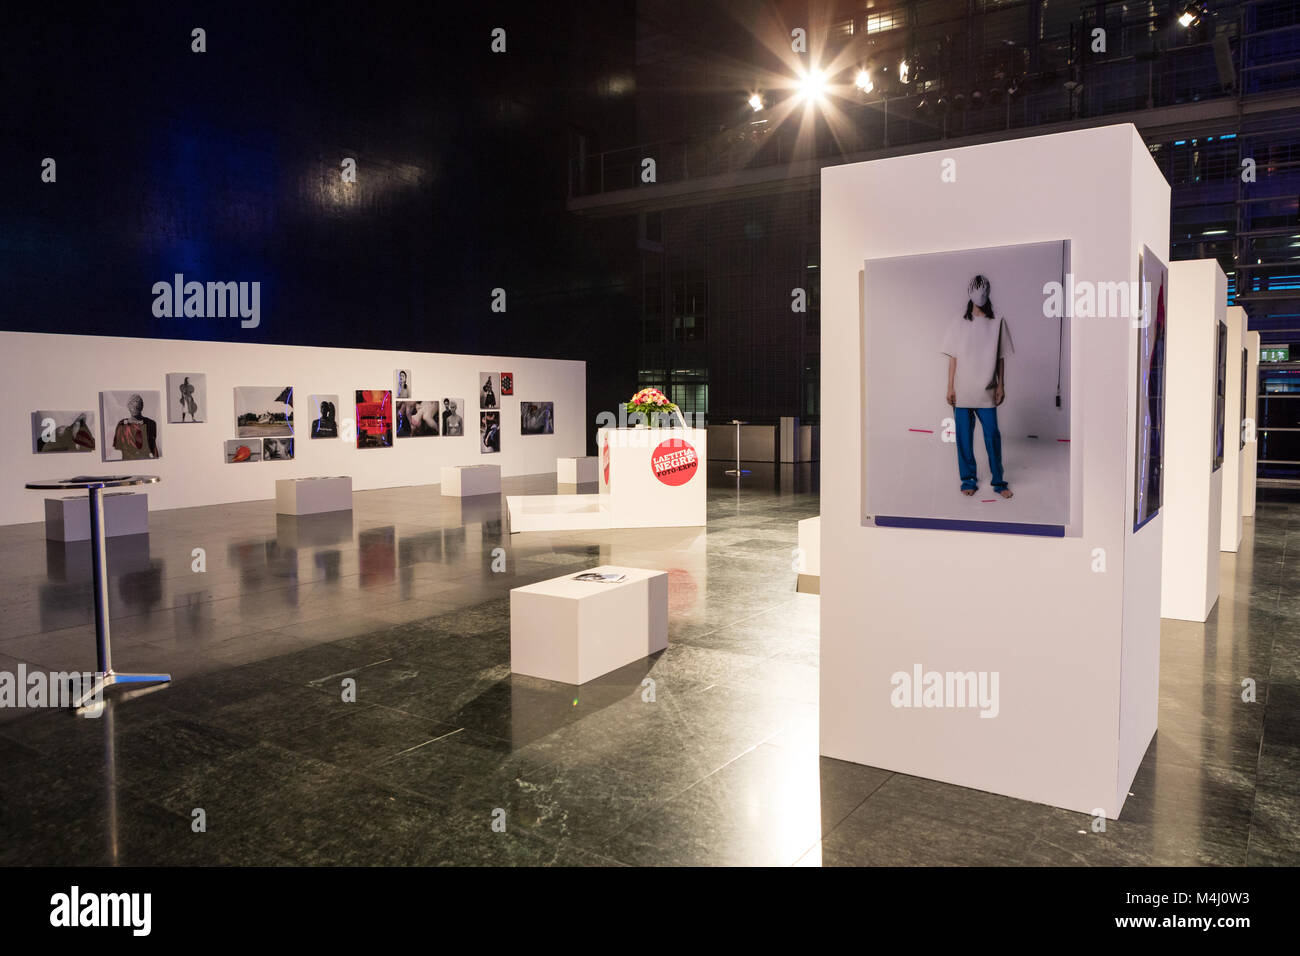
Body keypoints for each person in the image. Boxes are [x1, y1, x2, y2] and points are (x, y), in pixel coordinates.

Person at [941, 275, 1014, 498]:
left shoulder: (997, 321)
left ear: (988, 292)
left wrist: (1001, 385)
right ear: (970, 292)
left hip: (987, 389)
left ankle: (999, 482)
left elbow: (1001, 357)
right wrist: (950, 386)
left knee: (992, 434)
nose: (980, 295)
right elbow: (953, 358)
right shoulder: (958, 322)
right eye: (977, 289)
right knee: (963, 437)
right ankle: (968, 480)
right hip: (963, 388)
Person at [112, 393, 159, 460]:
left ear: (142, 406)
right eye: (132, 405)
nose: (135, 408)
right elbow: (118, 450)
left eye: (137, 406)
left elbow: (153, 447)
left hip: (145, 460)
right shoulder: (122, 425)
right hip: (128, 462)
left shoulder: (150, 423)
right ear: (128, 406)